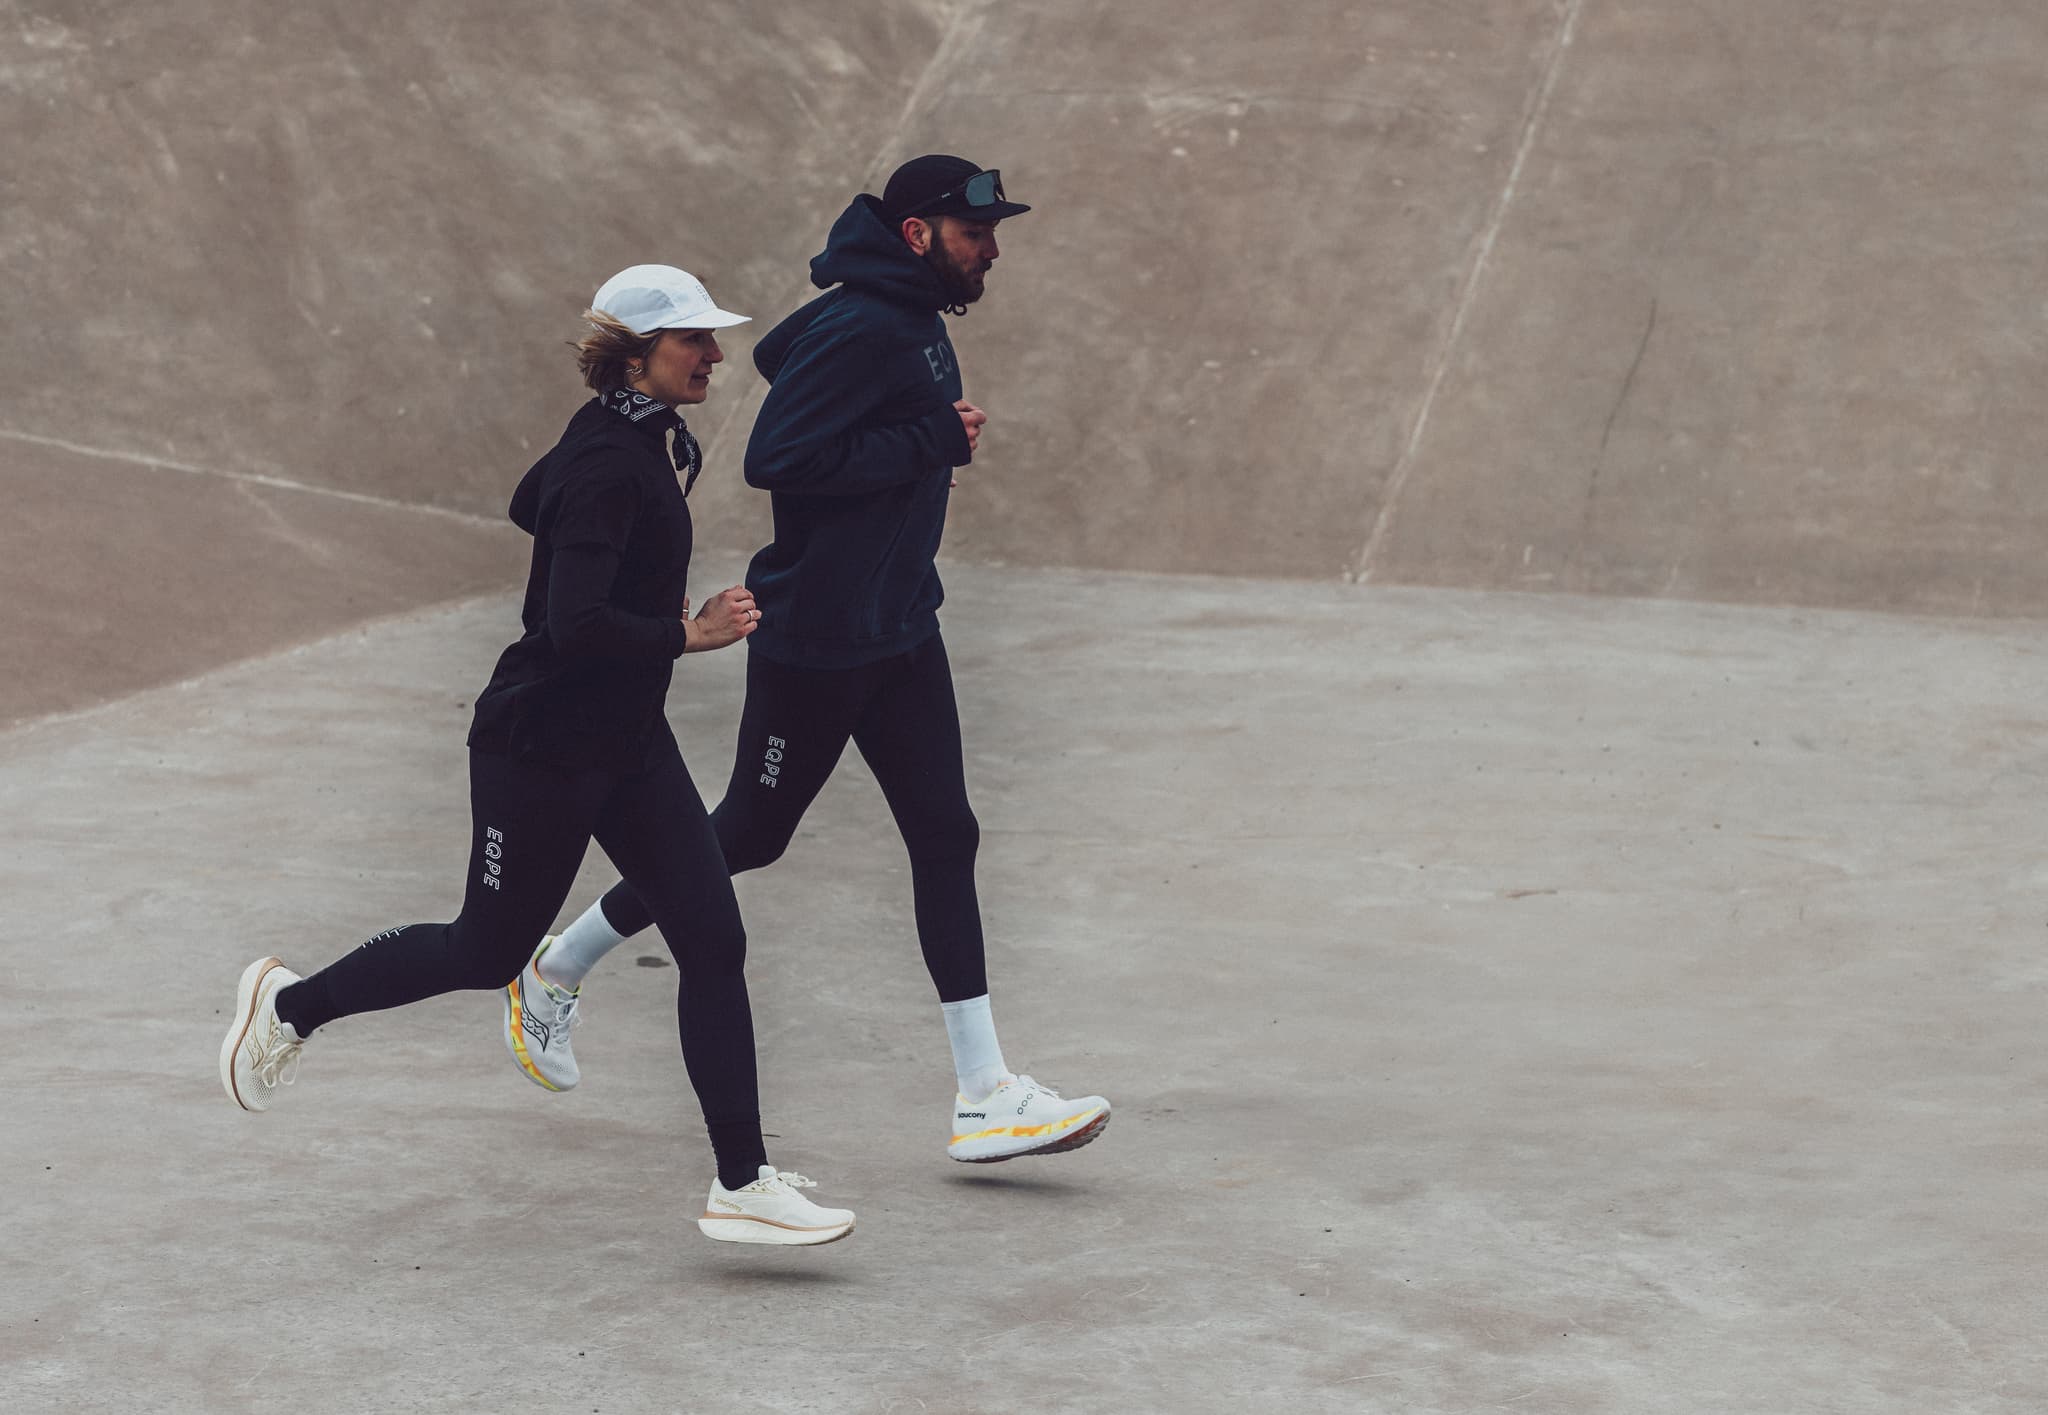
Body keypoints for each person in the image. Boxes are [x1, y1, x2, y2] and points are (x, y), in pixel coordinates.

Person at [218, 264, 856, 1246]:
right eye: (695, 341)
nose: (716, 355)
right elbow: (571, 621)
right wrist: (685, 633)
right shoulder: (612, 458)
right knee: (484, 951)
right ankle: (290, 1004)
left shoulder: (628, 437)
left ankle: (741, 1180)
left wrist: (614, 552)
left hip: (627, 742)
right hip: (541, 745)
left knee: (713, 937)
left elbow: (530, 500)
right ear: (637, 354)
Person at [501, 157, 1112, 1165]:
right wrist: (927, 440)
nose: (992, 249)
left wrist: (919, 439)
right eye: (975, 233)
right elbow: (775, 456)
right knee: (746, 832)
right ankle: (555, 967)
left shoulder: (904, 317)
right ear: (917, 233)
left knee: (945, 832)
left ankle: (985, 1092)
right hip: (819, 640)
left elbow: (795, 360)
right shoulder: (868, 324)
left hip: (900, 625)